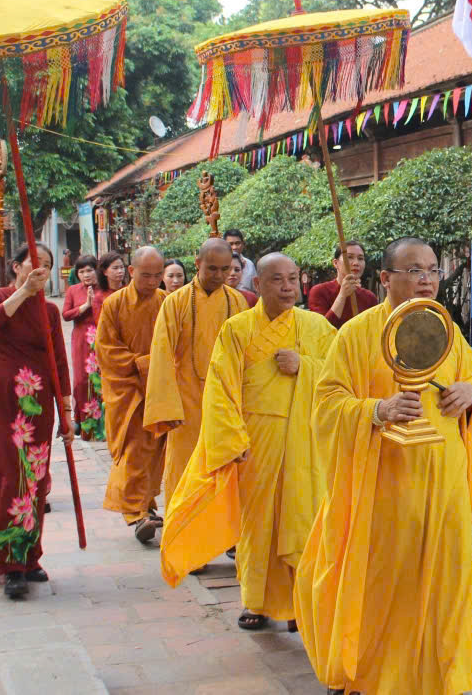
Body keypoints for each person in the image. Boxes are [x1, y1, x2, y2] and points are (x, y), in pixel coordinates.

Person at [295, 236, 472, 695]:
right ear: (385, 279)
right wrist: (376, 411)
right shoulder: (358, 334)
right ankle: (371, 673)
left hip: (443, 478)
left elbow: (471, 376)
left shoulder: (445, 327)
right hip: (384, 481)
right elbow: (326, 404)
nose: (427, 280)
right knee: (385, 581)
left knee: (446, 578)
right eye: (414, 271)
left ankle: (435, 677)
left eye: (433, 270)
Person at [161, 253, 336, 631]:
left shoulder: (317, 327)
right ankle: (255, 600)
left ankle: (298, 604)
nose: (288, 287)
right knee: (257, 526)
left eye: (293, 278)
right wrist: (230, 439)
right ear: (257, 285)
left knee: (303, 519)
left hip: (304, 439)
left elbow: (340, 379)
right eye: (277, 279)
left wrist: (305, 365)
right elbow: (221, 389)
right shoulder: (237, 329)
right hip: (255, 441)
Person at [0, 244, 72, 600]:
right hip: (0, 397)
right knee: (5, 476)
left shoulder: (50, 312)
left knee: (34, 477)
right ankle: (9, 564)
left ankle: (29, 554)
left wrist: (67, 411)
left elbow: (59, 361)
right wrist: (24, 292)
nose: (43, 272)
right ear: (16, 267)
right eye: (35, 265)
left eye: (49, 266)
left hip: (37, 400)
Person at [145, 238, 250, 508]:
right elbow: (161, 354)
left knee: (227, 465)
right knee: (184, 469)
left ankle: (227, 536)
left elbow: (249, 355)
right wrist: (167, 408)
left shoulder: (237, 302)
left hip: (226, 399)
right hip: (186, 400)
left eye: (224, 269)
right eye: (211, 269)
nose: (218, 276)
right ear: (197, 263)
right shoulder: (176, 302)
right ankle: (181, 534)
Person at [95, 247, 168, 543]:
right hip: (128, 390)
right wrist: (144, 364)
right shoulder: (114, 304)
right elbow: (106, 349)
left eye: (157, 275)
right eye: (146, 275)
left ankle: (145, 505)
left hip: (160, 387)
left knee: (155, 449)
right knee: (135, 447)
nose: (152, 281)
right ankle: (136, 512)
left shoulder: (168, 302)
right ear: (131, 271)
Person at [61, 255, 108, 440]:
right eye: (81, 271)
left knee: (101, 379)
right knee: (81, 380)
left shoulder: (104, 290)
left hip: (101, 337)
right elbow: (65, 315)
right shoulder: (73, 290)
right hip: (81, 339)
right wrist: (85, 306)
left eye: (89, 270)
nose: (86, 274)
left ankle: (102, 427)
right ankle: (83, 421)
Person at [306, 241, 378, 329]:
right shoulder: (319, 291)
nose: (356, 263)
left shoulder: (369, 297)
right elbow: (321, 331)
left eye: (360, 258)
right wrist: (342, 295)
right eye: (349, 257)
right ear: (336, 263)